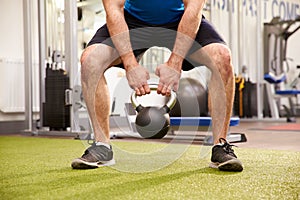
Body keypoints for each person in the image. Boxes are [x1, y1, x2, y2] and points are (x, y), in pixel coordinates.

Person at [71, 0, 243, 172]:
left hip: (180, 20)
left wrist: (175, 63)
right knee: (90, 61)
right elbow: (114, 9)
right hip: (132, 21)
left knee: (222, 58)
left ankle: (220, 145)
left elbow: (193, 9)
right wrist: (130, 65)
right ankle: (102, 146)